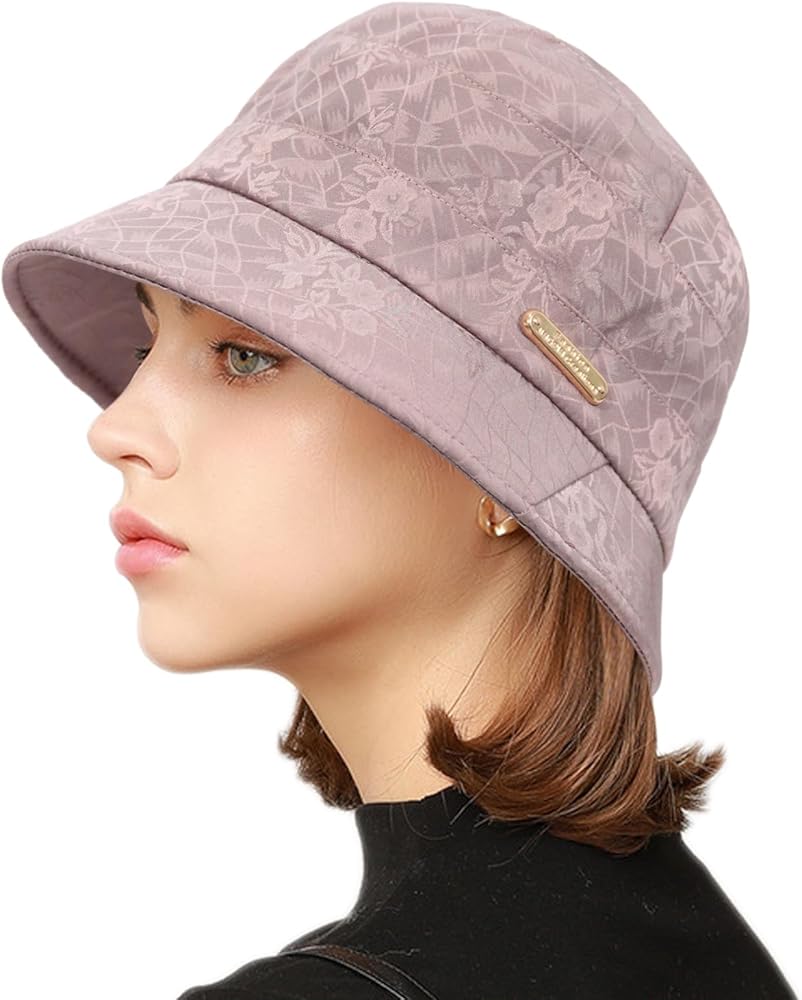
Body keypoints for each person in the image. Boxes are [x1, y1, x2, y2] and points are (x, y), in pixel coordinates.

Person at [2, 3, 797, 998]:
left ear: (503, 469)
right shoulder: (724, 966)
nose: (114, 426)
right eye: (145, 341)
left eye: (244, 356)